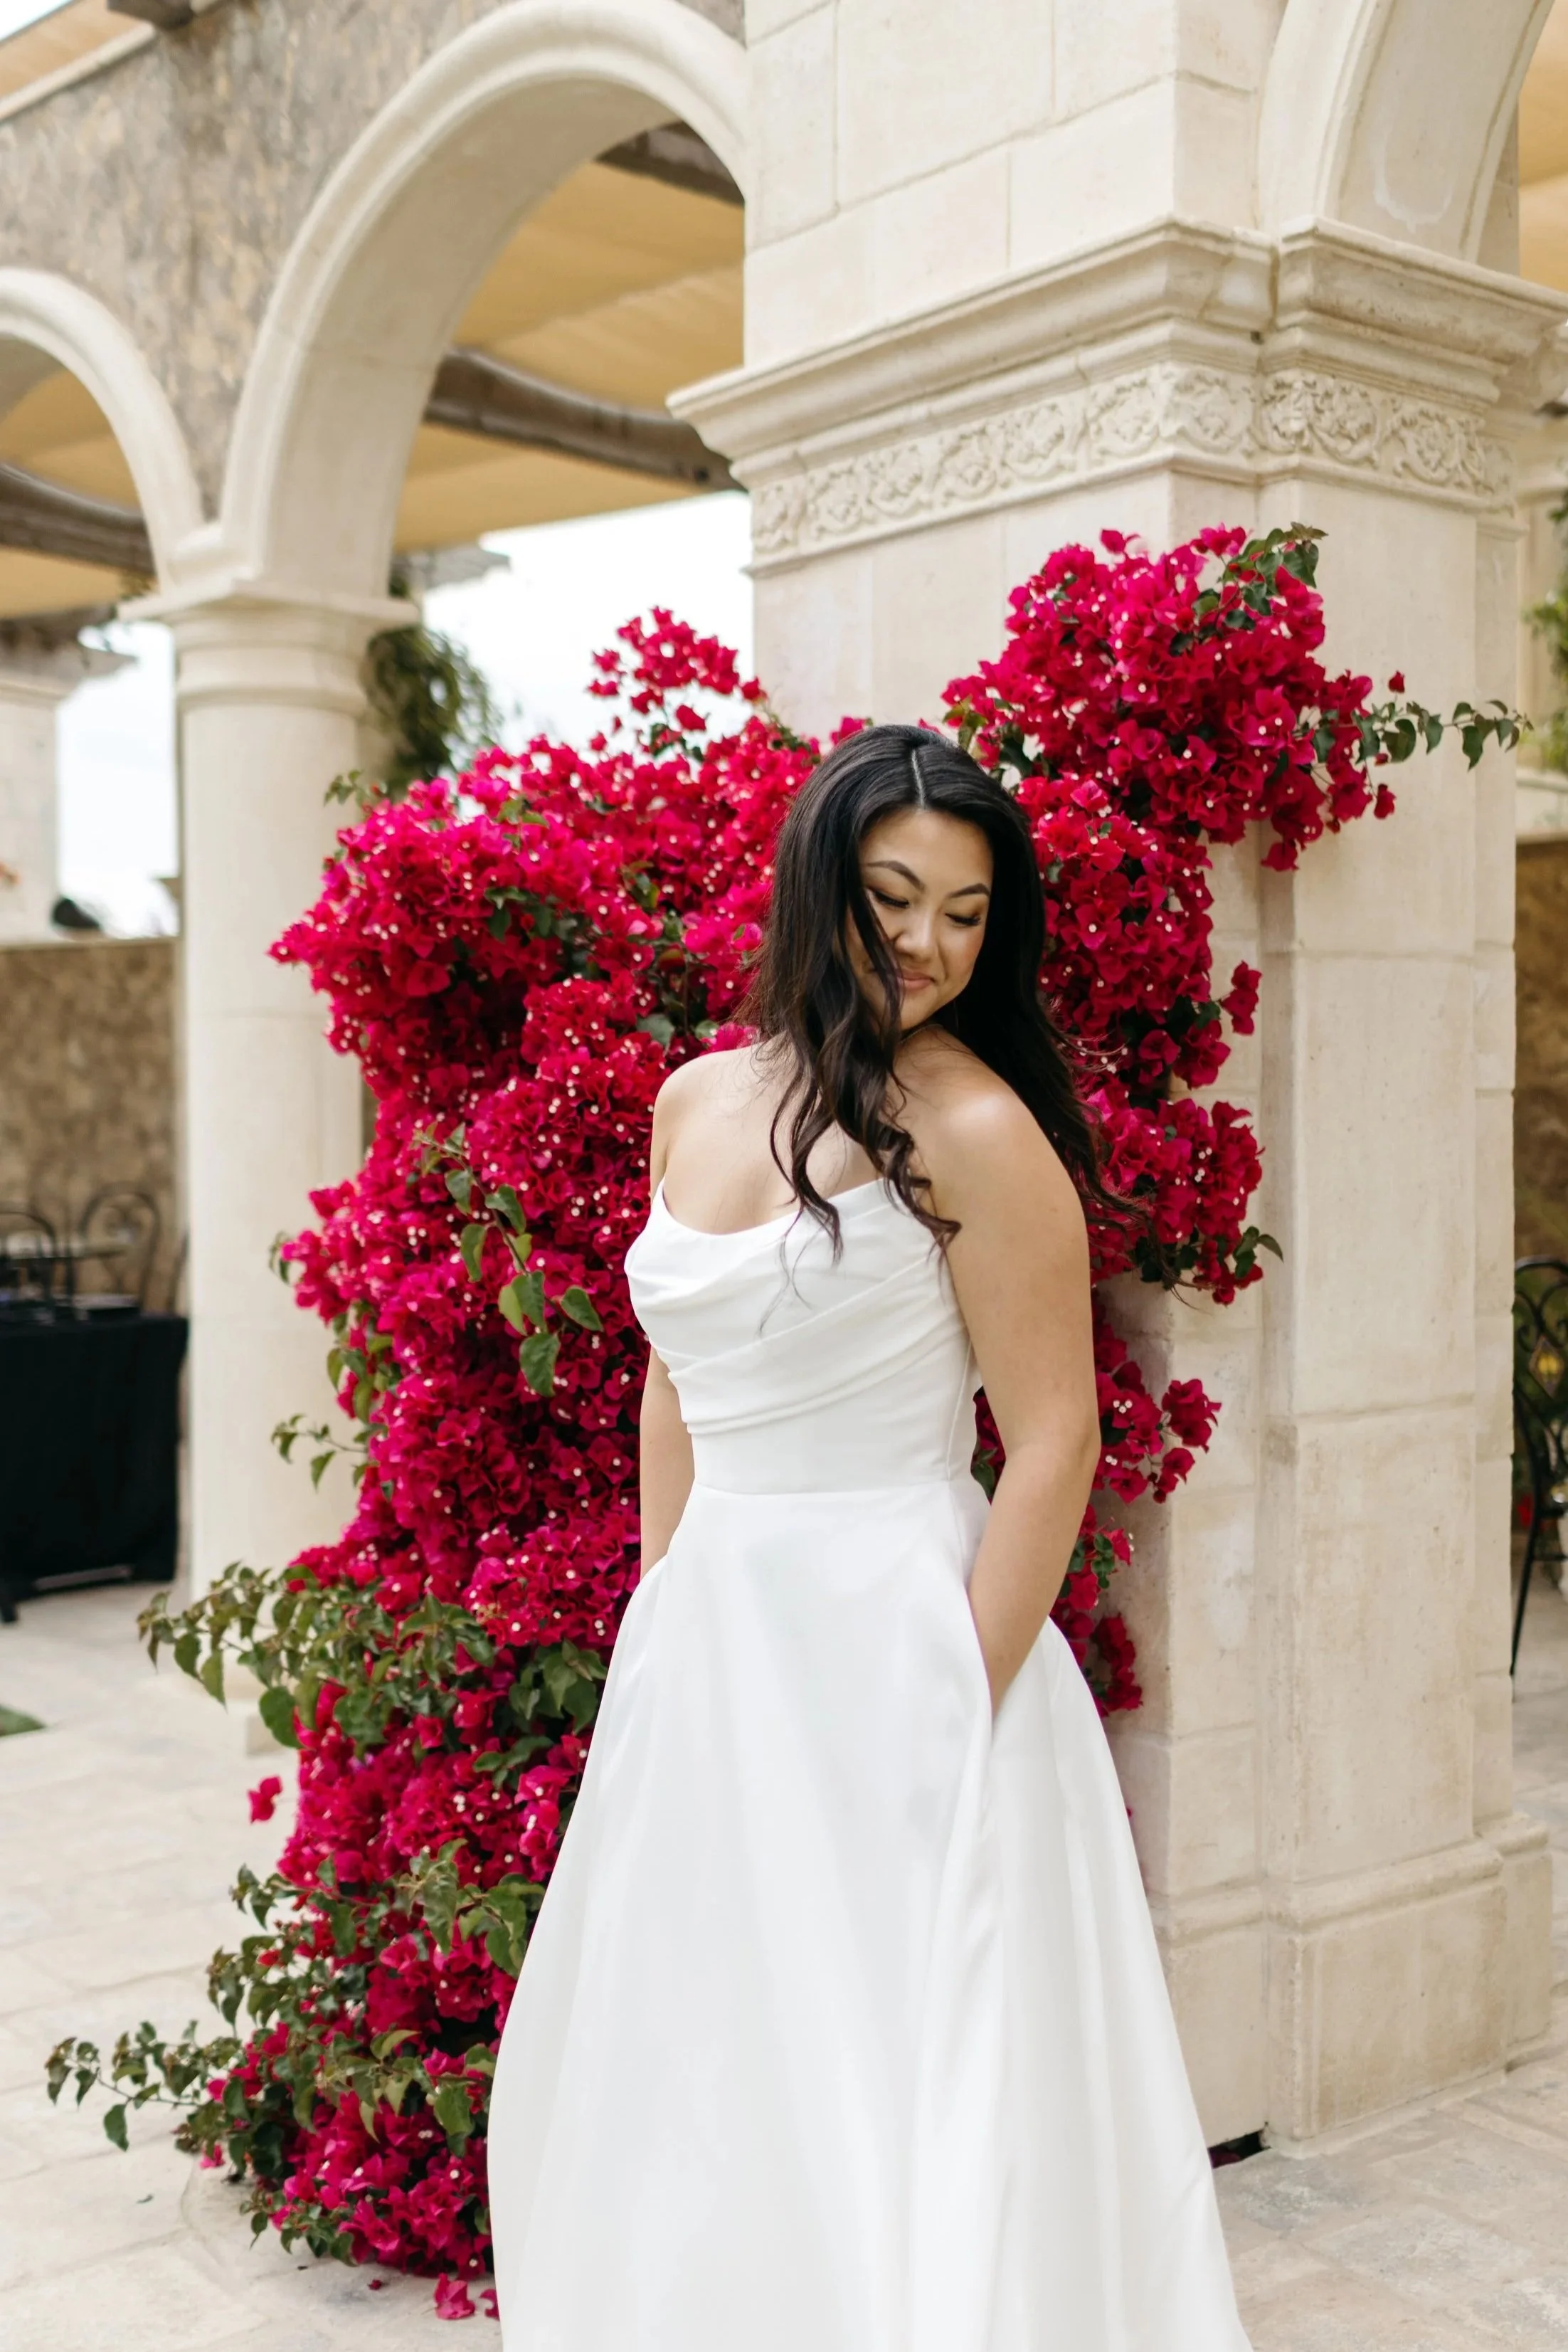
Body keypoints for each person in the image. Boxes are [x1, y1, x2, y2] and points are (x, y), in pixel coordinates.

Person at [487, 723, 1251, 2351]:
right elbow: (675, 1383)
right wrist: (665, 1601)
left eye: (968, 913)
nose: (927, 943)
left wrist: (948, 1692)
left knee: (899, 2063)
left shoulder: (978, 1130)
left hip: (906, 1646)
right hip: (717, 1649)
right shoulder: (693, 1099)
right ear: (816, 879)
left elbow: (1055, 1438)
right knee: (715, 2052)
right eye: (895, 895)